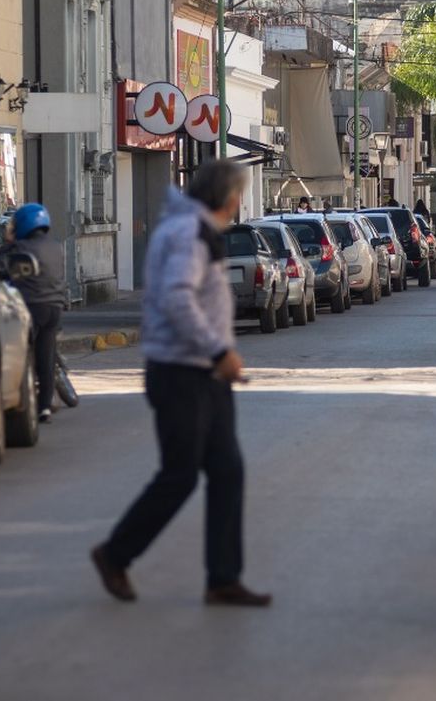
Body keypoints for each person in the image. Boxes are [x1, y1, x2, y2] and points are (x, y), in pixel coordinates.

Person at [92, 160, 271, 608]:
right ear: (229, 199)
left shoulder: (192, 227)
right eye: (240, 195)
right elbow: (176, 296)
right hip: (181, 371)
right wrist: (217, 350)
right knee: (180, 475)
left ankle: (223, 578)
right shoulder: (191, 233)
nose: (240, 203)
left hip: (202, 374)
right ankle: (115, 554)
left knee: (227, 470)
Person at [0, 204, 68, 423]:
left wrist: (8, 241)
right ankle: (44, 406)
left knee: (24, 353)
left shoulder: (19, 247)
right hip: (54, 308)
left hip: (31, 307)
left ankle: (24, 400)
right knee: (46, 357)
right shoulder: (57, 247)